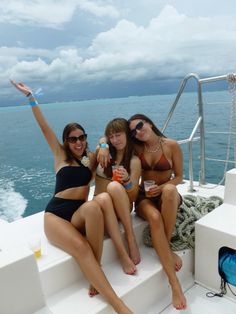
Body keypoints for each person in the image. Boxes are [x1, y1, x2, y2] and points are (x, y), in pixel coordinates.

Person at [10, 80, 133, 314]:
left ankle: (94, 271)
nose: (78, 142)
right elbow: (44, 127)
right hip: (56, 215)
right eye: (73, 139)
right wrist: (31, 97)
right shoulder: (60, 155)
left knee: (94, 207)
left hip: (78, 213)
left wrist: (105, 144)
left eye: (81, 137)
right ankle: (119, 305)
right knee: (81, 249)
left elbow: (103, 141)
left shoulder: (92, 157)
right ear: (66, 141)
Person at [128, 113, 187, 310]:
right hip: (145, 198)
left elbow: (178, 177)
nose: (138, 131)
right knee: (154, 217)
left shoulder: (171, 145)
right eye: (133, 130)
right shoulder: (136, 147)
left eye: (140, 125)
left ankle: (166, 246)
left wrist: (161, 188)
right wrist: (103, 144)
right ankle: (174, 283)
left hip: (166, 194)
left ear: (150, 123)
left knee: (170, 190)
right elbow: (112, 137)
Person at [94, 118, 141, 266]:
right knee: (104, 198)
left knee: (114, 187)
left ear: (127, 134)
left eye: (118, 135)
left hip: (122, 208)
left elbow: (133, 197)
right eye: (111, 136)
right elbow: (89, 156)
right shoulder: (103, 153)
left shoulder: (134, 161)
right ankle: (122, 254)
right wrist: (103, 144)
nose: (115, 140)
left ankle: (130, 238)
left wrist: (127, 181)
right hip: (101, 205)